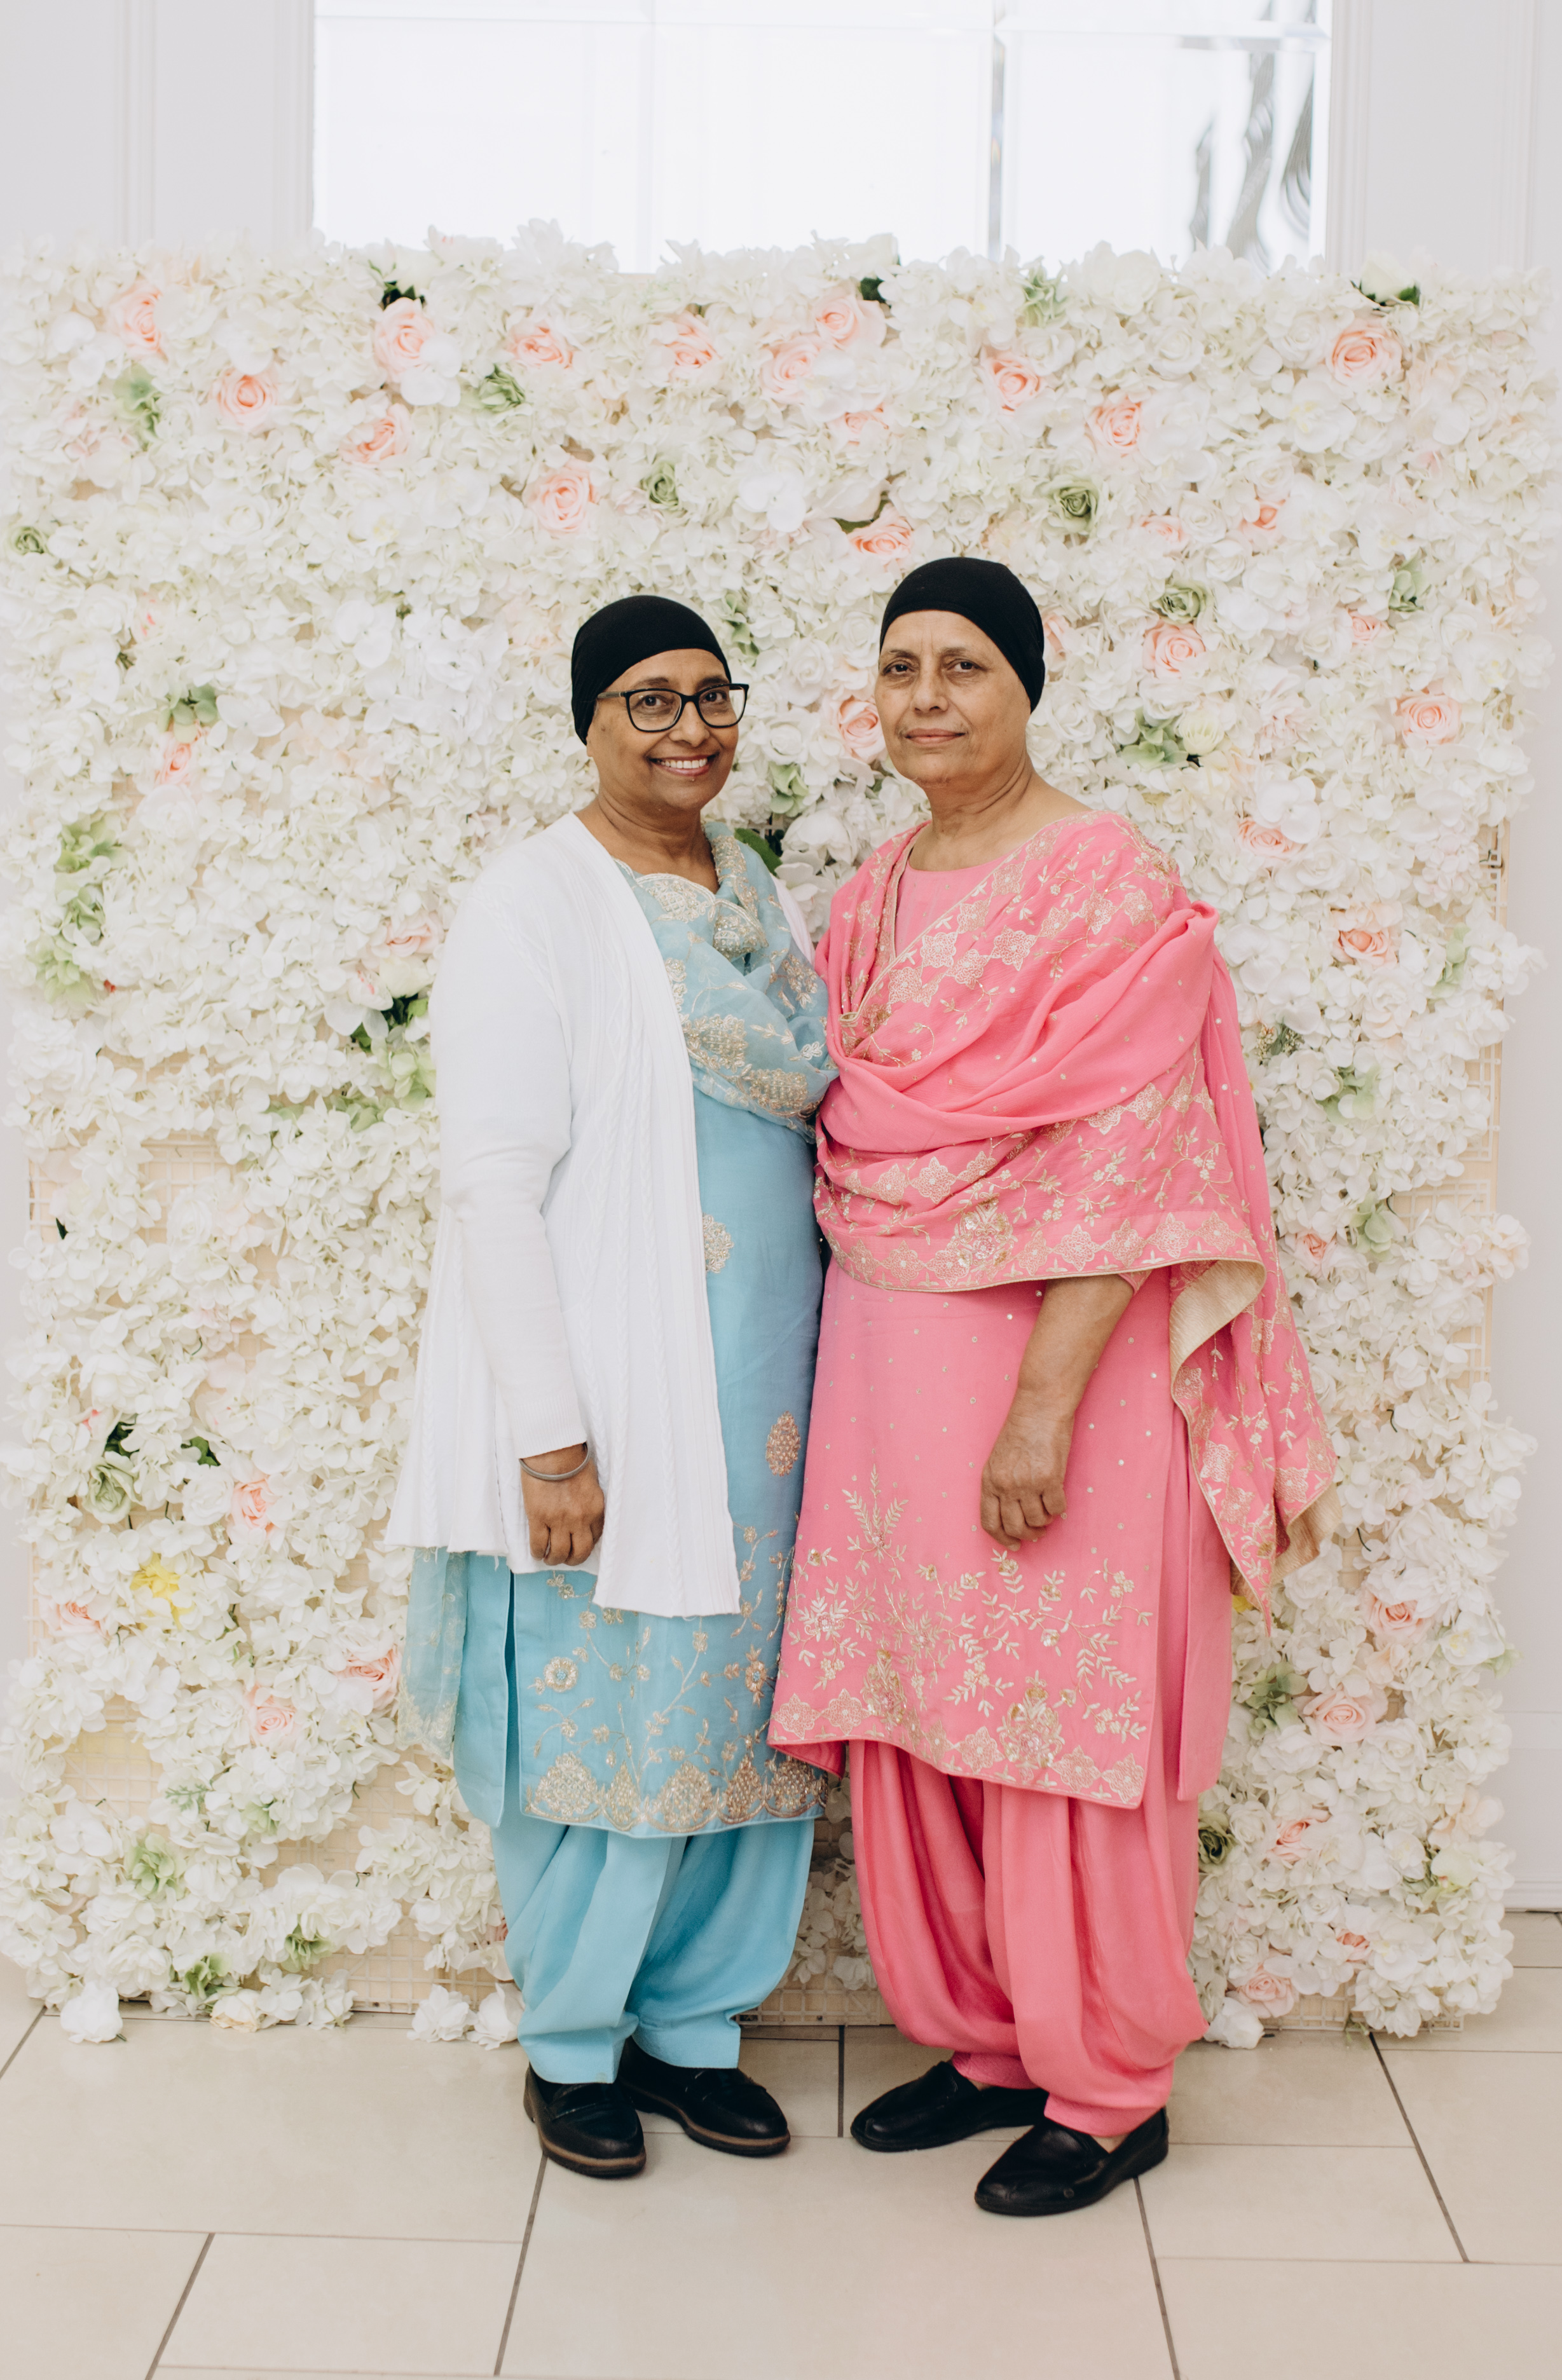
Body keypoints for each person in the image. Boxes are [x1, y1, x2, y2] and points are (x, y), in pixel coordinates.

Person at [768, 556, 1338, 2217]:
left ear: (1028, 686)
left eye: (965, 665)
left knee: (1055, 1717)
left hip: (1055, 1371)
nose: (927, 697)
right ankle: (991, 2042)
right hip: (889, 1363)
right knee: (927, 1708)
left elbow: (1139, 1164)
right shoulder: (875, 893)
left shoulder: (1104, 878)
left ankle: (1108, 2085)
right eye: (901, 667)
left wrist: (1039, 1410)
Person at [388, 594, 836, 2179]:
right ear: (588, 721)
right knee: (606, 1715)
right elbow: (492, 1181)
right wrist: (551, 1440)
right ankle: (576, 2045)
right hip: (617, 1397)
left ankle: (697, 2031)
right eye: (648, 699)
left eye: (712, 696)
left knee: (741, 1715)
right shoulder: (534, 903)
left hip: (773, 1401)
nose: (689, 728)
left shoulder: (759, 895)